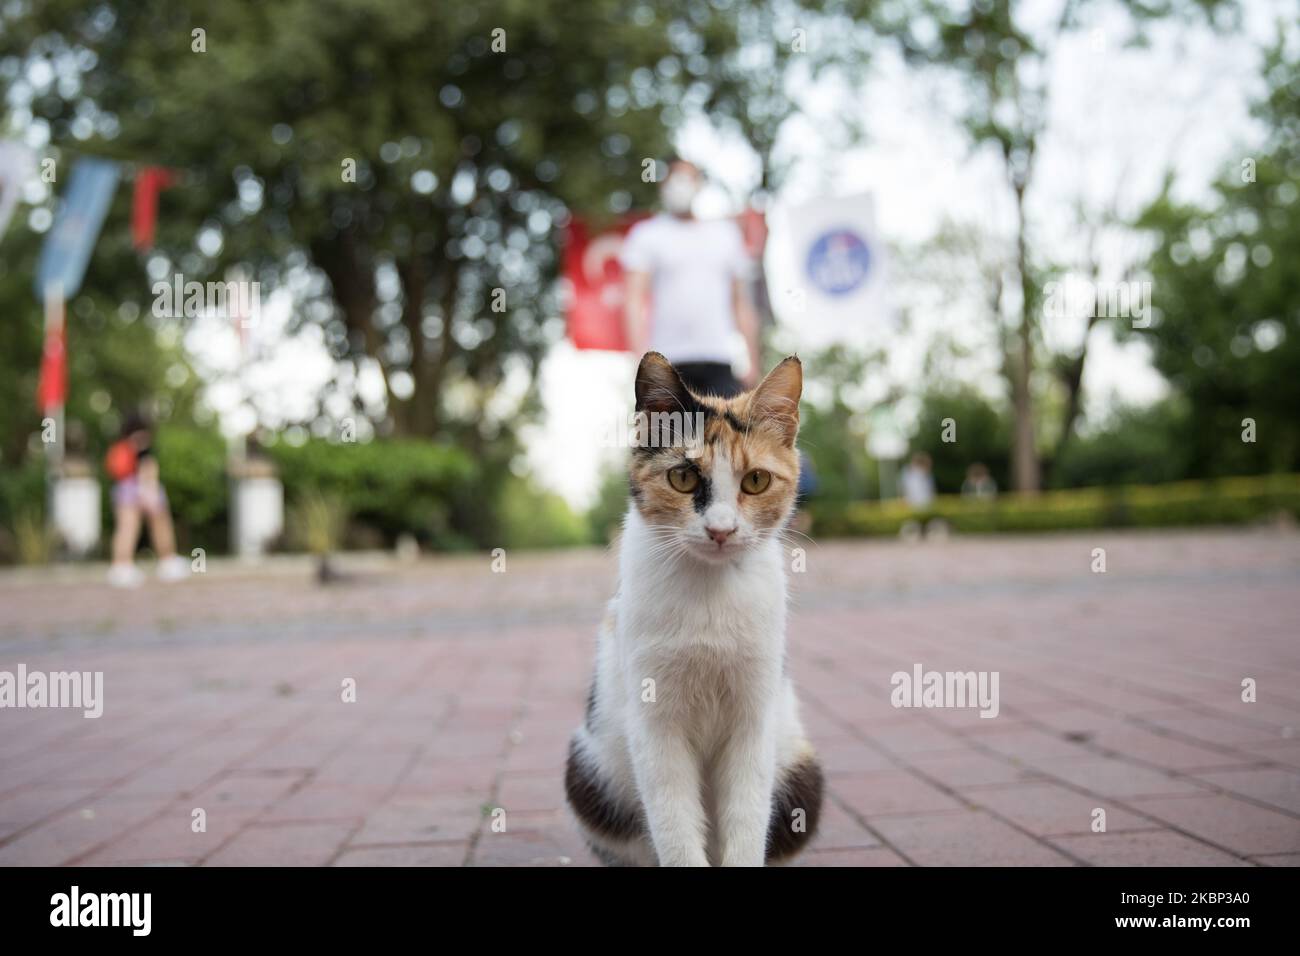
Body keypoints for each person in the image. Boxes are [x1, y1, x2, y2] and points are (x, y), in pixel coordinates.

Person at [620, 156, 762, 398]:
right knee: (669, 435)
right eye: (675, 178)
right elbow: (633, 300)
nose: (680, 185)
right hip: (667, 362)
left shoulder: (725, 235)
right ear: (663, 184)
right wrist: (639, 362)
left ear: (699, 184)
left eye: (687, 178)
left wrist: (753, 359)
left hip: (718, 359)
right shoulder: (647, 235)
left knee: (723, 434)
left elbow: (741, 302)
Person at [105, 412, 187, 587]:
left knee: (126, 528)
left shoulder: (122, 444)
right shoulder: (142, 439)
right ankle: (167, 561)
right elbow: (147, 464)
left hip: (124, 487)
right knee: (159, 524)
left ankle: (121, 566)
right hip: (142, 485)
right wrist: (149, 490)